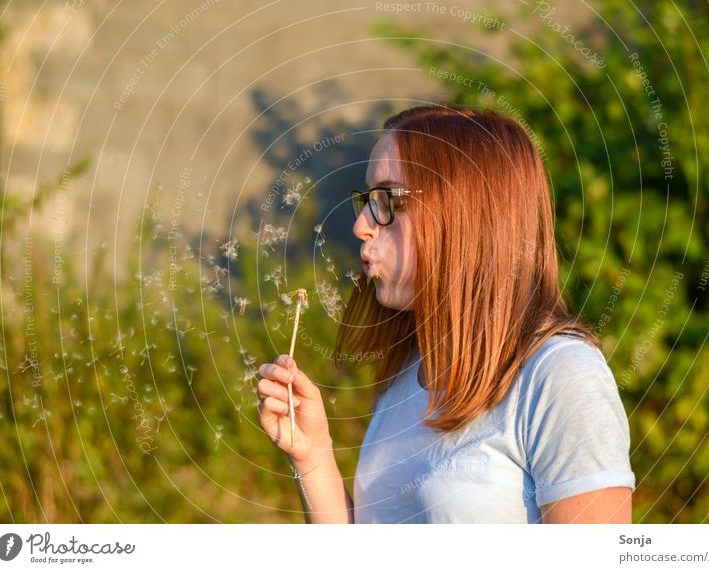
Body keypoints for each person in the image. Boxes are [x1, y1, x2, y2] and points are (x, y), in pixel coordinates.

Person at [257, 104, 635, 524]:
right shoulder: (408, 370)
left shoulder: (560, 377)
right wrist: (314, 456)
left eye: (385, 200)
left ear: (463, 213)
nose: (361, 225)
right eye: (366, 200)